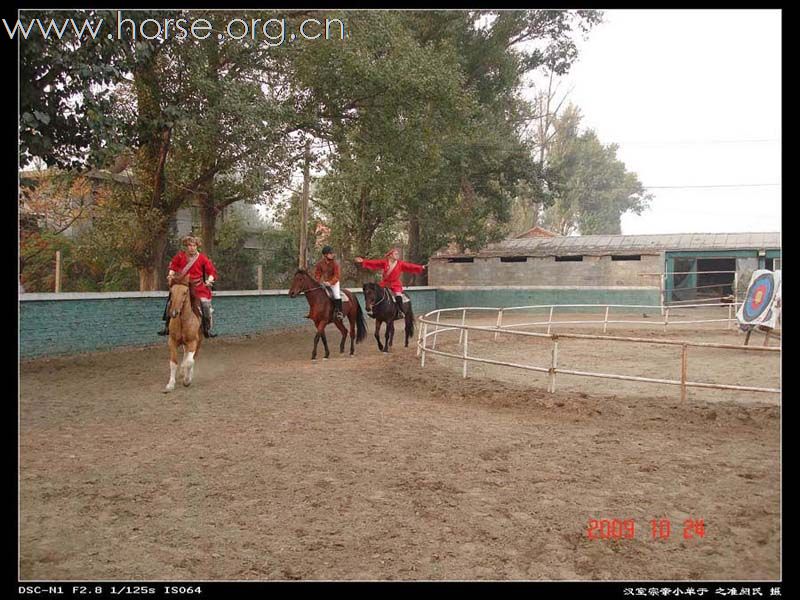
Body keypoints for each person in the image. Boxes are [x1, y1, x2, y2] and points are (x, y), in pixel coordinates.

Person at [158, 235, 219, 338]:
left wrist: (209, 280)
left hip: (198, 288)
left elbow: (211, 271)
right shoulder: (180, 256)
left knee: (205, 305)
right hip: (182, 285)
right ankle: (167, 327)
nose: (192, 247)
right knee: (170, 303)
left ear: (197, 246)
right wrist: (171, 274)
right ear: (186, 246)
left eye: (194, 245)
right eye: (190, 245)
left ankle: (206, 328)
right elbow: (173, 266)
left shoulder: (202, 258)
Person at [355, 248, 426, 318]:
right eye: (396, 254)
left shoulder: (400, 264)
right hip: (384, 283)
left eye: (398, 254)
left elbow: (410, 266)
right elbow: (375, 262)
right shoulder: (385, 262)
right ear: (390, 255)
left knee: (398, 296)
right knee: (375, 294)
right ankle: (374, 311)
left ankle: (400, 311)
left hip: (395, 284)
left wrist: (420, 267)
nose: (397, 255)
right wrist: (363, 261)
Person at [314, 245, 344, 321]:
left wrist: (330, 283)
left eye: (332, 253)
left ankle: (339, 312)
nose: (332, 254)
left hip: (334, 283)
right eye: (330, 253)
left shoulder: (335, 264)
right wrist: (318, 281)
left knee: (336, 295)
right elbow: (318, 273)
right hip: (324, 282)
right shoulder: (320, 264)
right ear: (325, 255)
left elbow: (337, 276)